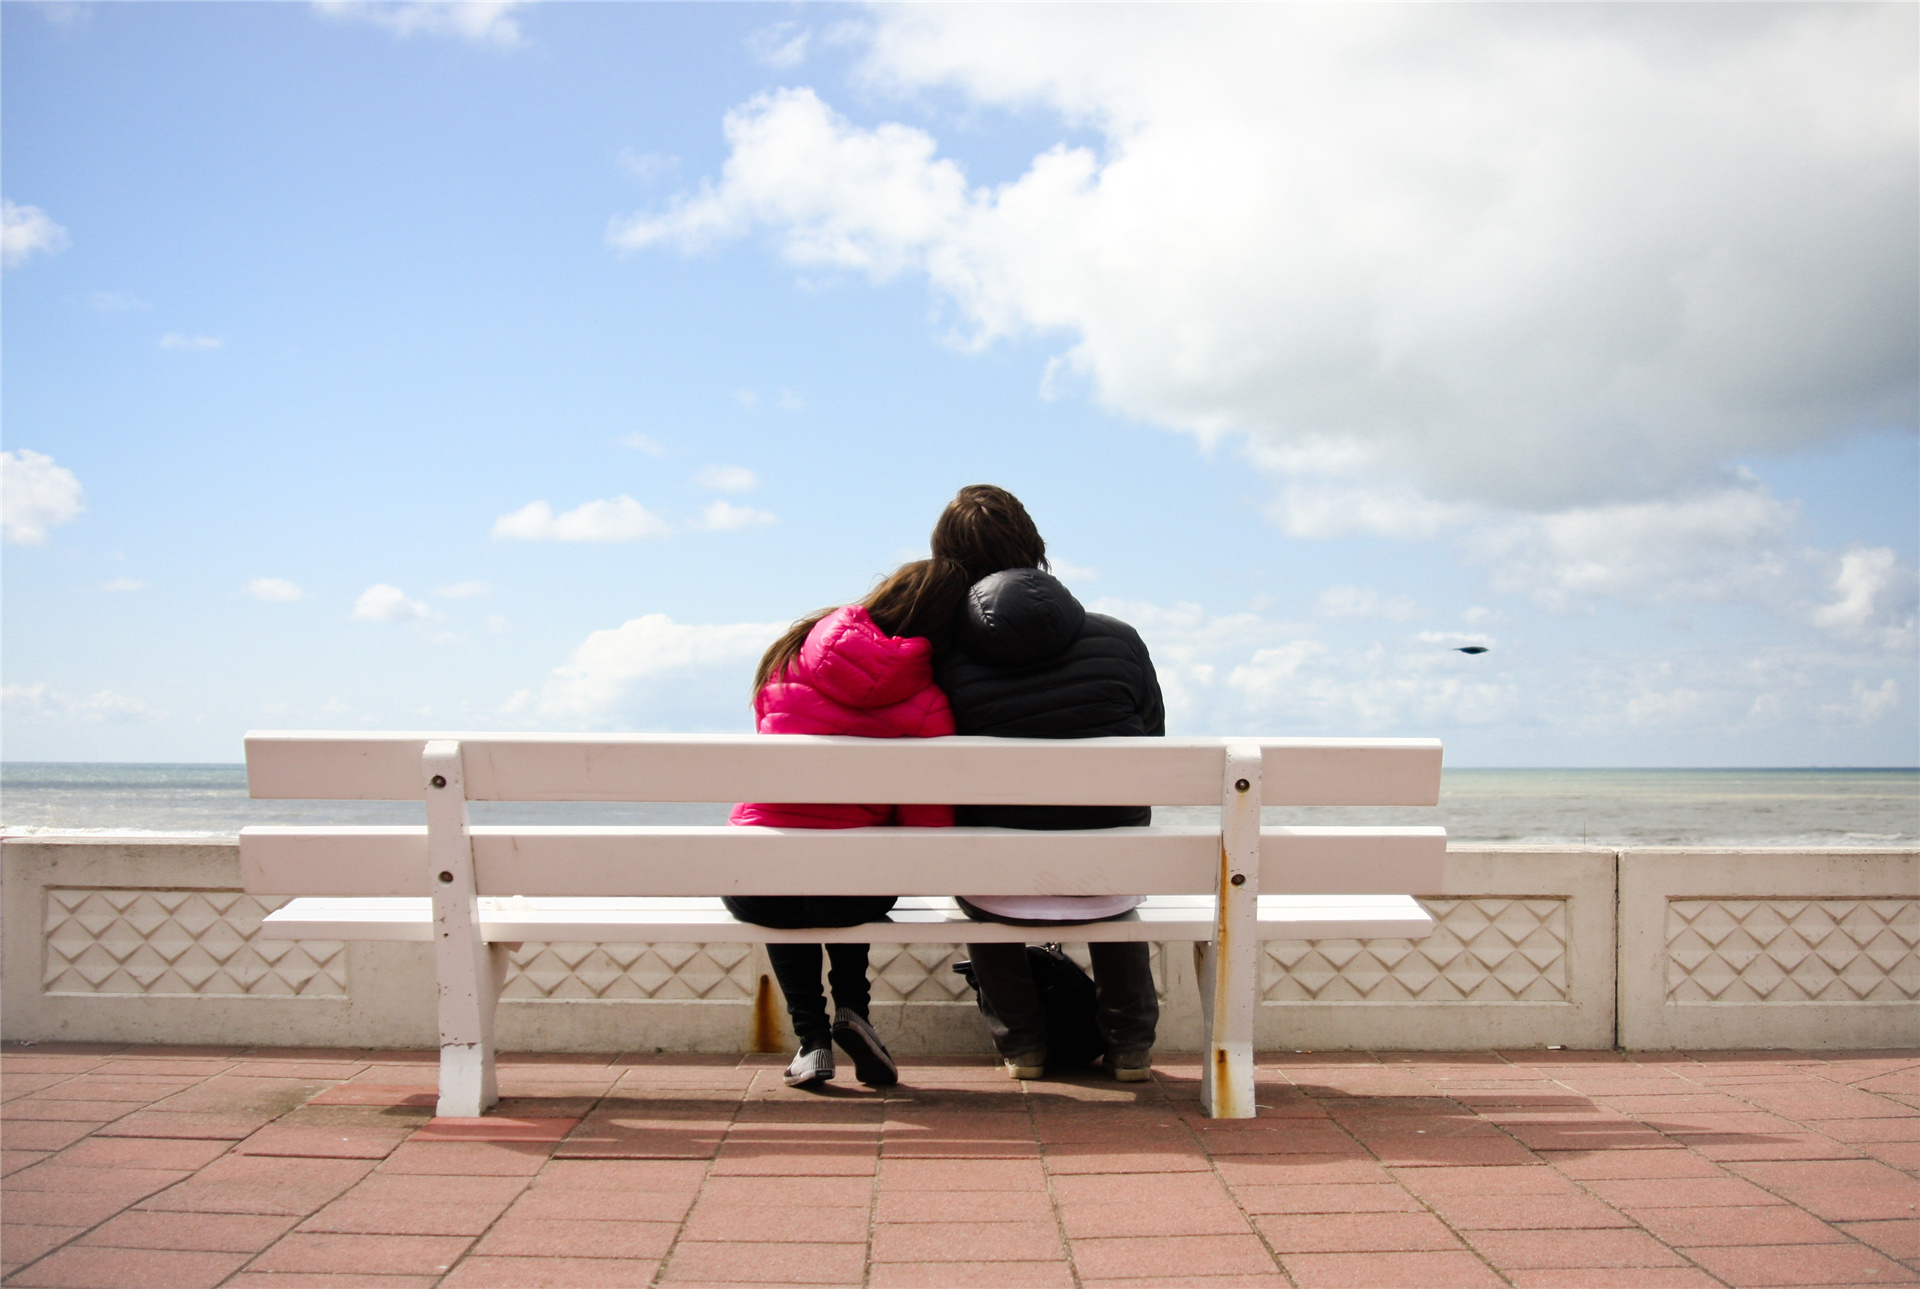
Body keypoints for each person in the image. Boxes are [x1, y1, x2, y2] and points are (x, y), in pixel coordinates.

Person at [931, 485, 1165, 1081]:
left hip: (995, 882)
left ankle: (1024, 1044)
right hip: (1109, 877)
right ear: (1033, 546)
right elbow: (1155, 749)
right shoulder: (1120, 640)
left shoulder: (943, 655)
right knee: (1115, 874)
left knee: (981, 884)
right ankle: (1131, 1043)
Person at [727, 558, 969, 1088]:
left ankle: (812, 1042)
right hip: (850, 889)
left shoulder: (788, 656)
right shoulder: (927, 699)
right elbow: (927, 828)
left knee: (788, 878)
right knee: (852, 867)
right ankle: (854, 1013)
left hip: (758, 881)